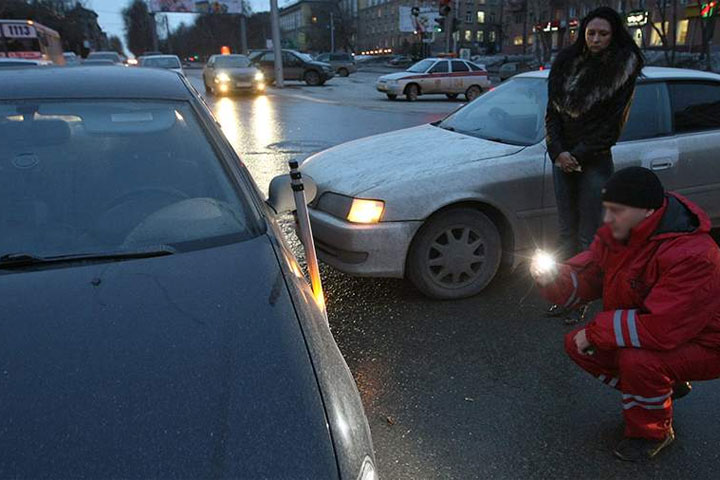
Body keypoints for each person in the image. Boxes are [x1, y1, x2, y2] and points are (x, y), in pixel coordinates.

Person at [532, 167, 720, 461]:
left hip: (708, 343)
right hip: (668, 334)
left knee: (638, 361)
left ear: (647, 212)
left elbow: (661, 328)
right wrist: (554, 278)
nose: (608, 219)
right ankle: (663, 388)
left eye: (616, 211)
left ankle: (653, 432)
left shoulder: (695, 255)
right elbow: (593, 273)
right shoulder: (623, 229)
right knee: (579, 346)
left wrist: (595, 332)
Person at [545, 7, 644, 323]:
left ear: (613, 36)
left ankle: (582, 300)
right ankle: (564, 293)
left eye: (603, 34)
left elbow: (612, 127)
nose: (596, 39)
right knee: (564, 234)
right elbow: (552, 115)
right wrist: (558, 152)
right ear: (582, 34)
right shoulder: (565, 64)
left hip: (595, 161)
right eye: (591, 33)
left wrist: (578, 156)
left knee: (589, 236)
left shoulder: (621, 70)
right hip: (563, 160)